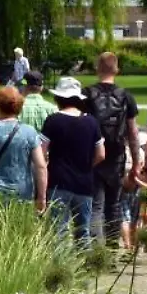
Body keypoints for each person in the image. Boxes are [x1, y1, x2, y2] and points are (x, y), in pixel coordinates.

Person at [83, 52, 141, 248]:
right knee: (114, 205)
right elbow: (133, 133)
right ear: (117, 69)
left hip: (93, 155)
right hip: (117, 157)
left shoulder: (87, 94)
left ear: (97, 68)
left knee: (96, 206)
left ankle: (98, 252)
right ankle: (112, 249)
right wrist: (136, 163)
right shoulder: (126, 96)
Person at [41, 77, 105, 245]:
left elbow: (42, 151)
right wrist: (85, 165)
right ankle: (86, 267)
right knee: (82, 231)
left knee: (59, 231)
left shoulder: (53, 121)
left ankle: (60, 268)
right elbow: (101, 154)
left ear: (58, 98)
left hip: (58, 182)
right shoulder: (91, 122)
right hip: (84, 182)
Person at [0, 87, 48, 211]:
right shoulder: (29, 131)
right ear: (19, 108)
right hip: (22, 190)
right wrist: (42, 197)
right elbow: (40, 166)